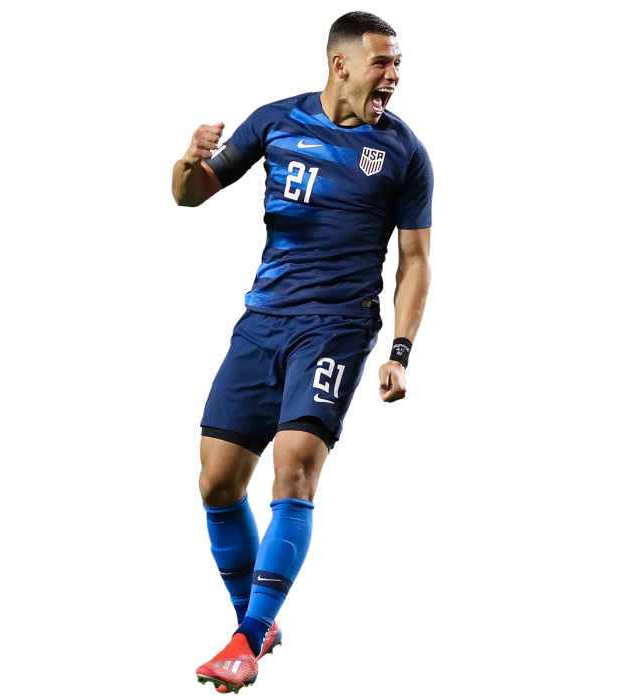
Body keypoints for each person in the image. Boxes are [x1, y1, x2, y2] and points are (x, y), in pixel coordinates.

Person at [173, 10, 434, 694]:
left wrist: (400, 349)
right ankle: (254, 625)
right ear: (340, 65)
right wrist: (189, 162)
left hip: (339, 328)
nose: (393, 76)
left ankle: (247, 641)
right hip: (262, 321)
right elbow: (190, 197)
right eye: (382, 62)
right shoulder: (276, 121)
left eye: (398, 64)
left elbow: (415, 261)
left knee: (293, 468)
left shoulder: (403, 151)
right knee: (216, 483)